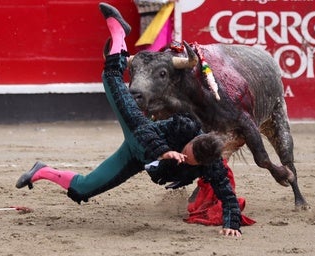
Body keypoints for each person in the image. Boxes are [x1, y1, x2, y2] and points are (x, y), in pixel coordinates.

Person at [15, 2, 244, 237]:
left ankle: (41, 171)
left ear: (202, 163)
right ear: (193, 140)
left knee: (83, 189)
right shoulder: (186, 126)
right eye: (188, 150)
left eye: (191, 160)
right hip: (139, 134)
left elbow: (227, 195)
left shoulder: (211, 162)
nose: (186, 157)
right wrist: (164, 151)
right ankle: (118, 33)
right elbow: (146, 132)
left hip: (136, 160)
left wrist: (231, 224)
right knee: (111, 78)